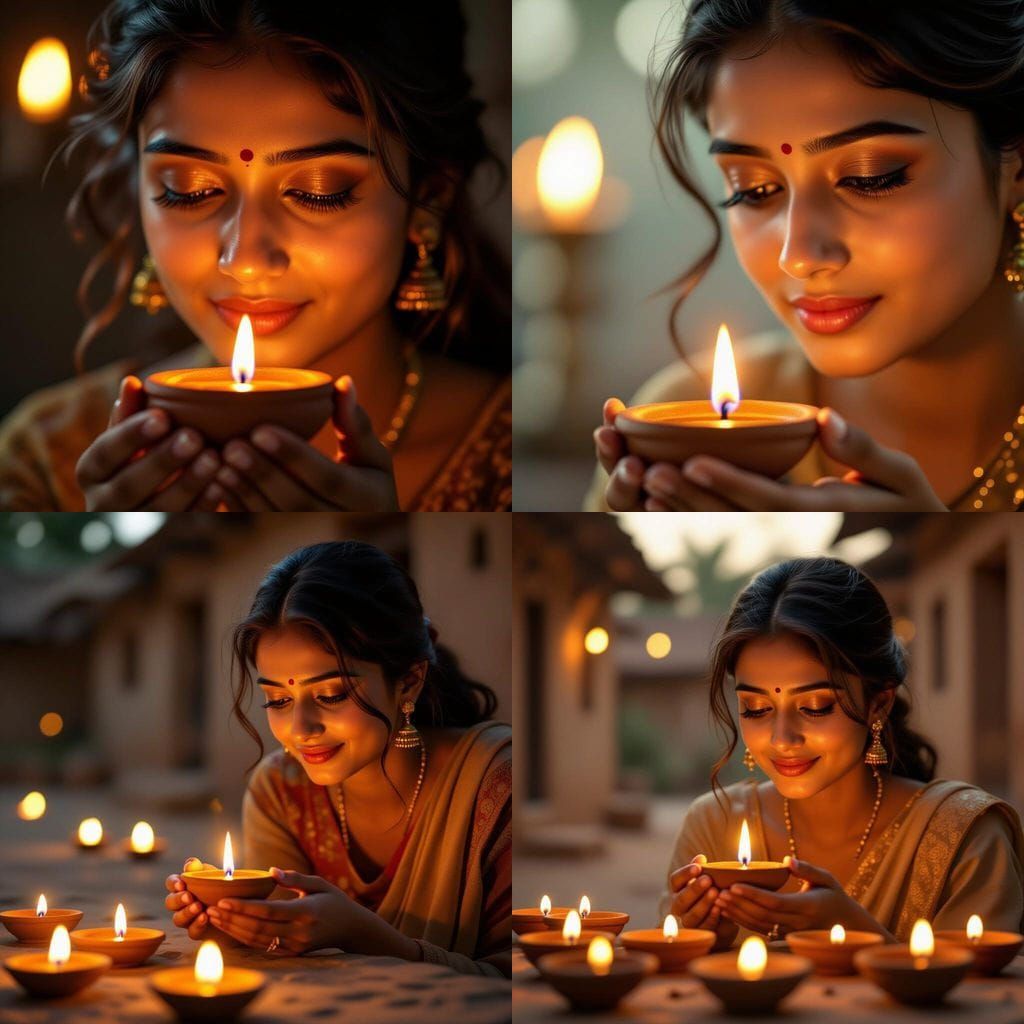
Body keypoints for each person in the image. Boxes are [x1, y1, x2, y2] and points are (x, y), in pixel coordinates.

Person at [0, 0, 510, 511]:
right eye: (188, 190)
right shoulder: (47, 457)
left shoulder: (510, 456)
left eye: (318, 191)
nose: (244, 259)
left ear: (428, 199)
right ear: (141, 192)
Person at [589, 0, 1024, 512]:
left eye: (869, 177)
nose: (797, 256)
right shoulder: (683, 427)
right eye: (752, 190)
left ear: (1016, 167)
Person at [164, 541, 511, 976]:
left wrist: (363, 936)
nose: (301, 728)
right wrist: (234, 923)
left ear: (409, 682)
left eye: (331, 695)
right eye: (277, 700)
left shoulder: (496, 787)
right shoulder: (282, 793)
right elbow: (285, 944)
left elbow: (518, 986)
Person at [662, 557, 1024, 948]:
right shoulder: (712, 826)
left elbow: (986, 1003)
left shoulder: (963, 836)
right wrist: (700, 944)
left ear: (878, 705)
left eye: (816, 707)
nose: (782, 739)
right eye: (756, 709)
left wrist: (857, 935)